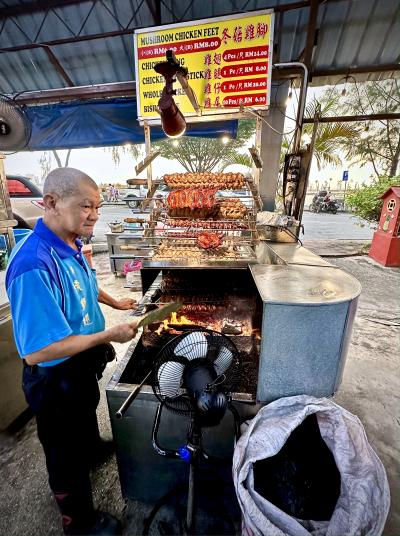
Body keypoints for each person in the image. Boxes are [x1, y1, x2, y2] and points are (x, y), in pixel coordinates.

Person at [6, 168, 138, 536]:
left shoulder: (70, 242)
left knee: (84, 415)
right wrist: (109, 333)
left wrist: (116, 300)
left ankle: (92, 450)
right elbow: (39, 351)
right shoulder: (33, 264)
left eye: (96, 206)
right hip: (54, 377)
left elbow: (86, 284)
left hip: (79, 367)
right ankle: (78, 523)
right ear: (51, 203)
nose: (94, 214)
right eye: (85, 206)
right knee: (63, 453)